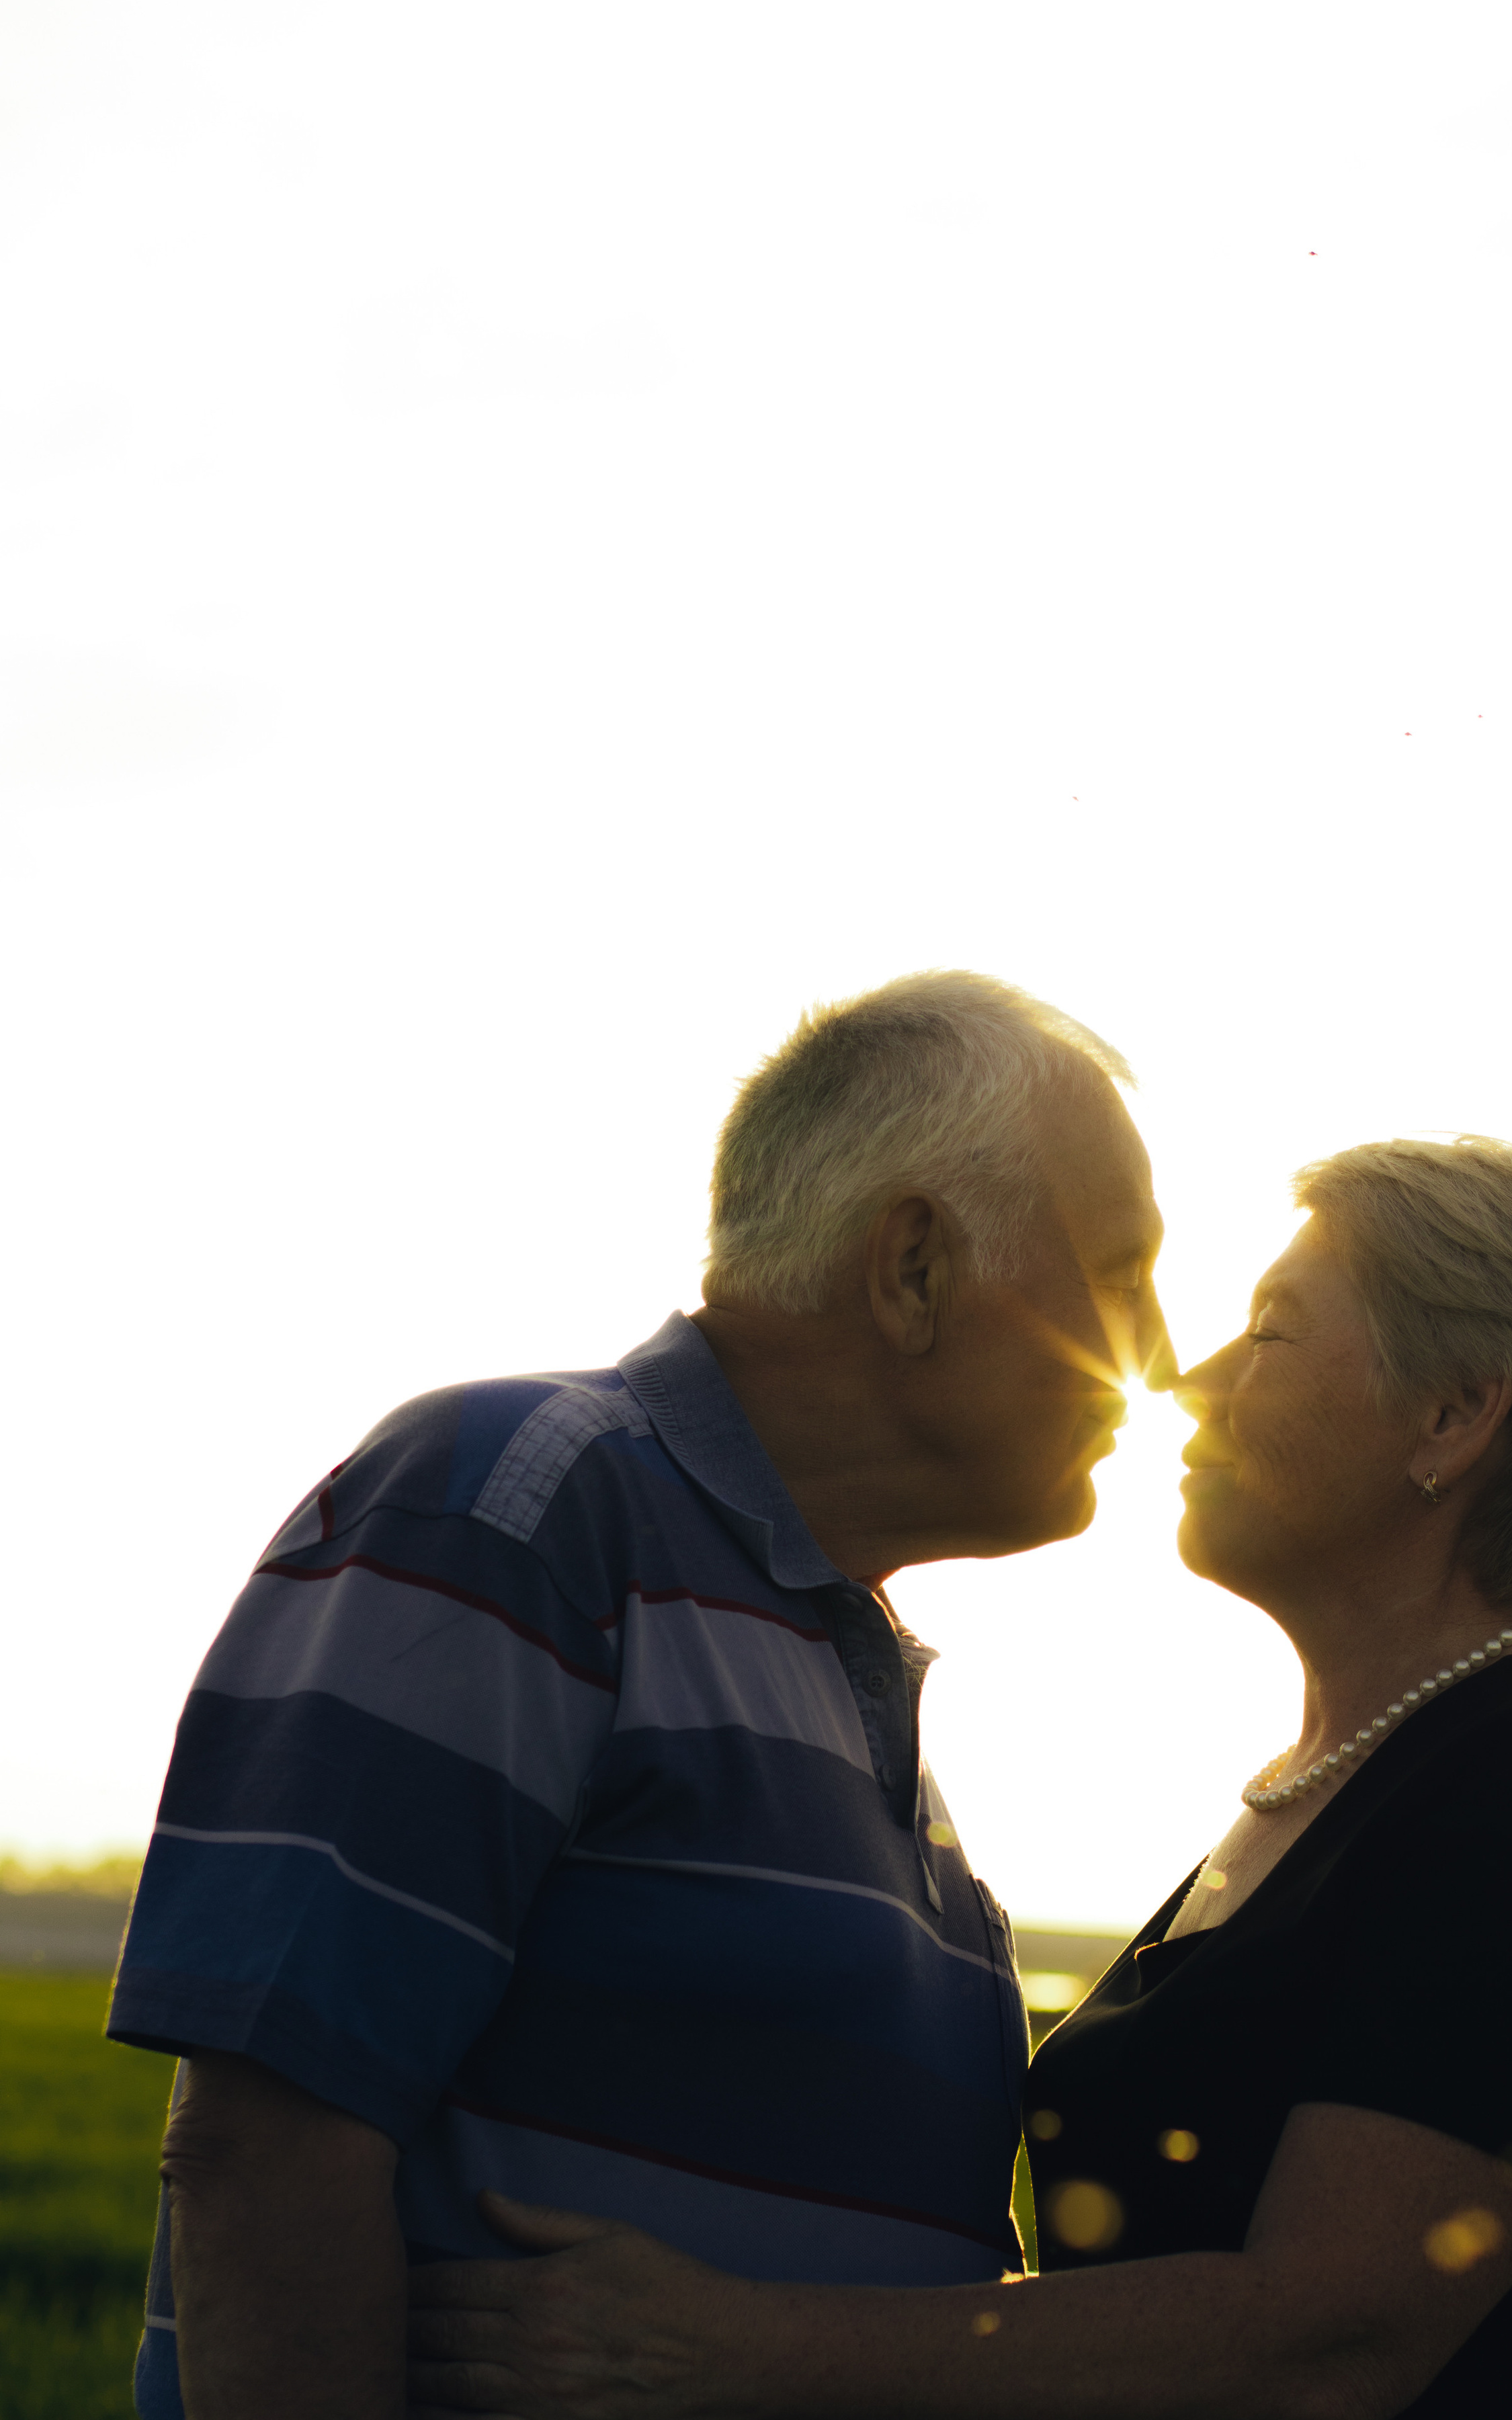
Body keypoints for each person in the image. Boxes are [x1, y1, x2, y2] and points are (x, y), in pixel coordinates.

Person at [404, 1134, 1512, 2420]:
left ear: (1451, 1416)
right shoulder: (1332, 1789)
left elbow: (1320, 2342)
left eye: (1266, 1329)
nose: (1189, 1382)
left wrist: (732, 2347)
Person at [106, 970, 1176, 2420]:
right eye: (1120, 1277)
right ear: (911, 1267)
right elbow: (266, 2147)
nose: (1161, 1358)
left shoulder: (823, 1638)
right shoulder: (516, 1506)